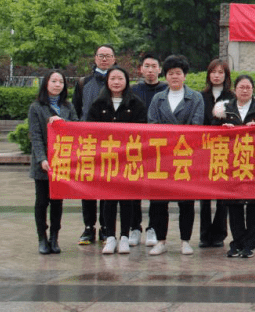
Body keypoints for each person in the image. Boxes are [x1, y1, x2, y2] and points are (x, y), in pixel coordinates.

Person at [146, 54, 204, 255]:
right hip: (162, 158)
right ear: (166, 76)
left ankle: (185, 240)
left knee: (186, 201)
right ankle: (160, 240)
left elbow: (196, 126)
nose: (175, 77)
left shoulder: (195, 97)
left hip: (185, 156)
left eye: (178, 73)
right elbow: (152, 125)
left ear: (185, 76)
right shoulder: (158, 98)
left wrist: (175, 137)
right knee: (159, 202)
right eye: (171, 74)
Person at [86, 65, 147, 254]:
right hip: (106, 159)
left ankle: (125, 237)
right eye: (113, 78)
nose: (116, 82)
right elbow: (90, 131)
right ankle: (110, 236)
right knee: (108, 199)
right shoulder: (98, 105)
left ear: (126, 81)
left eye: (120, 78)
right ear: (107, 81)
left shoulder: (136, 104)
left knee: (127, 200)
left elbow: (142, 132)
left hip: (128, 160)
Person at [214, 74, 255, 258]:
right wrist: (224, 129)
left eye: (248, 87)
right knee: (234, 205)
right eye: (241, 87)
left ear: (253, 90)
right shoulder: (225, 109)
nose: (245, 90)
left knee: (254, 205)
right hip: (231, 163)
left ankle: (250, 244)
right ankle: (237, 242)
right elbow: (212, 131)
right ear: (235, 89)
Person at [29, 70, 77, 254]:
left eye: (61, 82)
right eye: (54, 81)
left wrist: (61, 123)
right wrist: (42, 159)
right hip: (43, 164)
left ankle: (54, 238)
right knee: (42, 201)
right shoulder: (36, 107)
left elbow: (76, 128)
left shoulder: (68, 106)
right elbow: (35, 136)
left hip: (61, 162)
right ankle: (42, 238)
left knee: (57, 201)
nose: (57, 85)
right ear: (46, 83)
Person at [72, 44, 116, 245]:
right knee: (88, 184)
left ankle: (107, 227)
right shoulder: (83, 83)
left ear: (114, 59)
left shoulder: (119, 82)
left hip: (112, 143)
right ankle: (89, 227)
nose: (104, 59)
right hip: (87, 141)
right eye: (101, 55)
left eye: (108, 56)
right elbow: (75, 111)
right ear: (95, 58)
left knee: (109, 184)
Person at [130, 52, 165, 248]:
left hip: (160, 149)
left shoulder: (167, 90)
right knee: (135, 187)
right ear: (141, 69)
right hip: (137, 146)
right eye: (147, 66)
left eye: (154, 66)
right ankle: (135, 227)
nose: (150, 70)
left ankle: (153, 227)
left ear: (160, 70)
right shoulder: (133, 91)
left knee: (155, 189)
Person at [198, 58, 234, 249]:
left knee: (222, 196)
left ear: (226, 76)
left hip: (224, 151)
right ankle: (204, 234)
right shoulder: (200, 97)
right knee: (204, 196)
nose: (217, 75)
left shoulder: (232, 97)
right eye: (214, 72)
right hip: (204, 151)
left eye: (221, 72)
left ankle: (219, 233)